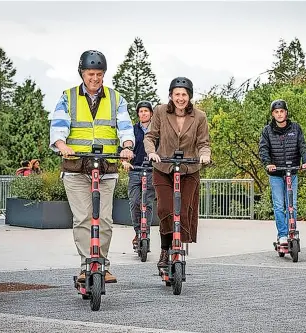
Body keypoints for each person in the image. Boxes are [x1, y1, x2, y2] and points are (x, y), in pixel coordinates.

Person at [49, 50, 135, 284]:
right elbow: (58, 124)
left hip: (106, 167)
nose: (94, 78)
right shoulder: (68, 97)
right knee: (84, 218)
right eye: (90, 74)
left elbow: (125, 126)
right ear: (82, 73)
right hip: (76, 167)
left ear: (104, 75)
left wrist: (127, 146)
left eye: (99, 74)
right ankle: (87, 265)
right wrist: (61, 144)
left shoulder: (116, 98)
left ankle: (102, 265)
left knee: (104, 219)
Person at [143, 77, 211, 269]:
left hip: (189, 169)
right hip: (164, 168)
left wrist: (205, 155)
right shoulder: (160, 111)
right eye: (177, 94)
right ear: (171, 96)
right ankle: (165, 249)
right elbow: (150, 136)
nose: (180, 98)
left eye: (184, 94)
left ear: (189, 96)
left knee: (182, 211)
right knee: (166, 209)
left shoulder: (199, 116)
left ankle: (177, 246)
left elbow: (204, 143)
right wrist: (151, 152)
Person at [258, 99, 306, 246]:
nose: (279, 114)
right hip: (276, 173)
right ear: (273, 114)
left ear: (286, 113)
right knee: (279, 205)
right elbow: (263, 149)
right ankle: (282, 234)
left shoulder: (296, 128)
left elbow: (302, 146)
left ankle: (291, 232)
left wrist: (305, 162)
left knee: (292, 204)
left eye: (282, 111)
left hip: (292, 171)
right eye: (276, 112)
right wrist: (268, 164)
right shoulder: (267, 131)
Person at [121, 101, 156, 250]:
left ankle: (145, 234)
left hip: (151, 171)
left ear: (151, 113)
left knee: (147, 204)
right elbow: (122, 148)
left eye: (146, 111)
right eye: (140, 111)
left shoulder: (156, 131)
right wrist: (124, 161)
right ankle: (138, 233)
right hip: (135, 170)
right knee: (135, 202)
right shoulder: (132, 131)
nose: (143, 113)